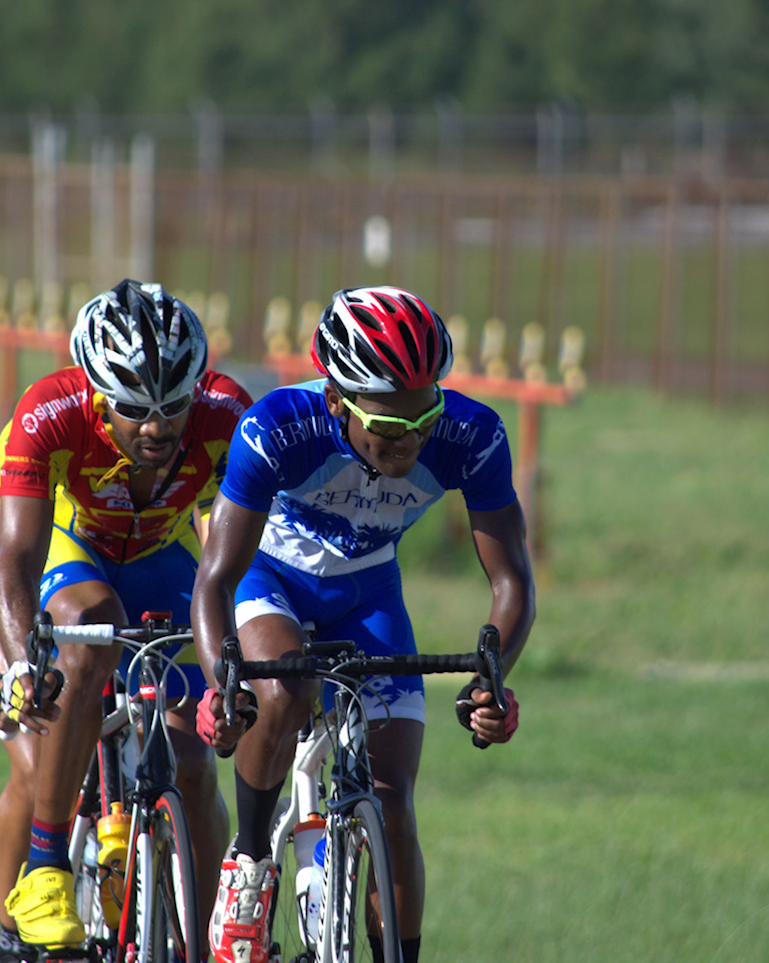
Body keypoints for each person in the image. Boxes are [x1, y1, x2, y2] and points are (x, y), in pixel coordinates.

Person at [190, 285, 532, 963]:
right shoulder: (278, 427)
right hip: (272, 577)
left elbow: (511, 579)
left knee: (394, 801)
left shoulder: (472, 434)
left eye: (422, 419)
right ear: (337, 401)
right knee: (282, 694)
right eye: (386, 429)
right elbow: (215, 579)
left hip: (367, 590)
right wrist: (222, 683)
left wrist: (492, 677)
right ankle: (252, 863)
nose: (408, 441)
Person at [0, 279, 253, 961]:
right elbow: (10, 563)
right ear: (98, 392)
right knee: (42, 762)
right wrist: (18, 666)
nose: (158, 427)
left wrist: (238, 667)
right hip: (65, 557)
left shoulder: (226, 414)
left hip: (161, 556)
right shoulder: (50, 412)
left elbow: (238, 562)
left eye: (173, 408)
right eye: (135, 409)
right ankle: (38, 883)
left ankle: (206, 930)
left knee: (191, 761)